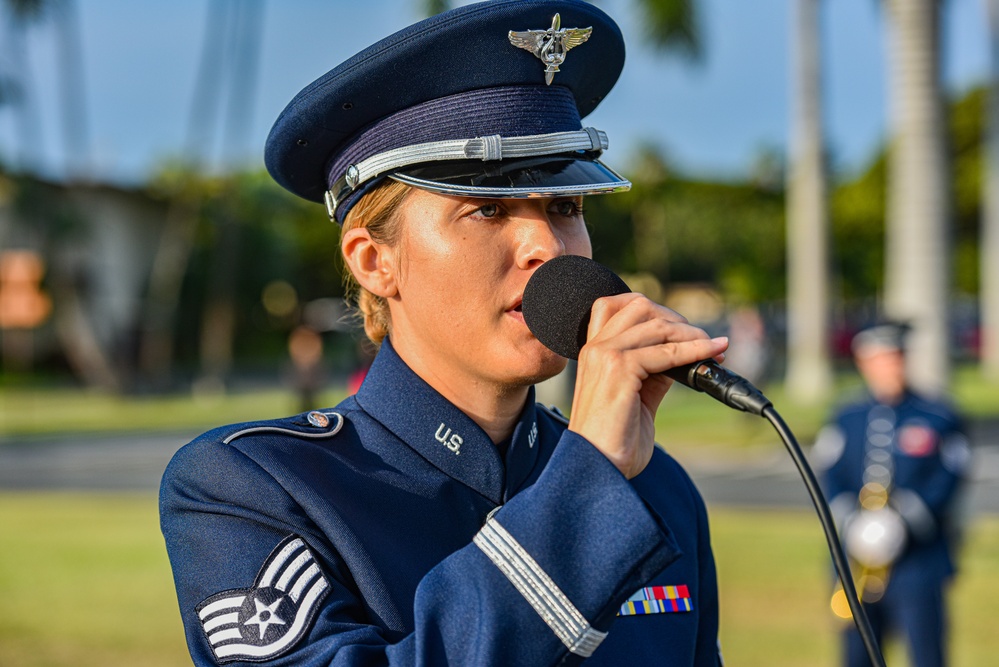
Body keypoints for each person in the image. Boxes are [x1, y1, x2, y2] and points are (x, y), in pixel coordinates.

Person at [160, 2, 726, 664]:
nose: (547, 244)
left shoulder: (658, 488)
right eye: (486, 208)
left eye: (565, 206)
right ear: (375, 261)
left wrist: (596, 474)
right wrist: (586, 487)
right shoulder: (256, 485)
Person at [813, 322, 971, 667]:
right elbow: (829, 474)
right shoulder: (846, 416)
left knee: (926, 654)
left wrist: (906, 518)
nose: (890, 367)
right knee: (858, 655)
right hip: (855, 560)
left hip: (918, 560)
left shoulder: (938, 415)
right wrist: (852, 520)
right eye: (881, 360)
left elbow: (951, 475)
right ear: (863, 363)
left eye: (896, 358)